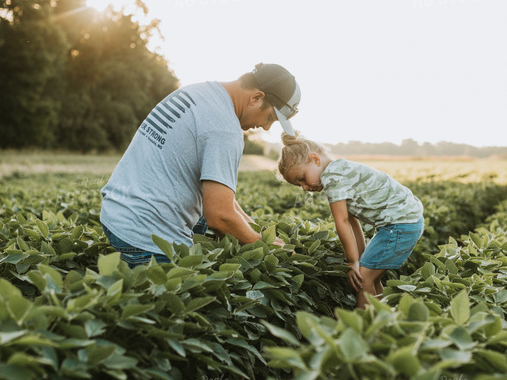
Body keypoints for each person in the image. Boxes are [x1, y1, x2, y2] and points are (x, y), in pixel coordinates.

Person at [100, 63, 301, 266]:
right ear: (256, 97)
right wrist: (268, 248)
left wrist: (254, 230)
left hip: (116, 214)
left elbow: (220, 197)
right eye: (270, 117)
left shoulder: (201, 91)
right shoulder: (225, 130)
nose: (266, 127)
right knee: (197, 292)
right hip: (143, 237)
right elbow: (219, 216)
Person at [278, 133, 424, 308]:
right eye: (298, 185)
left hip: (401, 224)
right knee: (370, 277)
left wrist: (352, 262)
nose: (304, 187)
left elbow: (343, 222)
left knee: (363, 279)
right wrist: (359, 257)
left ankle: (365, 330)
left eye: (302, 178)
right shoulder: (340, 170)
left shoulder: (332, 178)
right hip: (405, 221)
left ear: (315, 159)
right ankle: (384, 321)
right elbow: (353, 221)